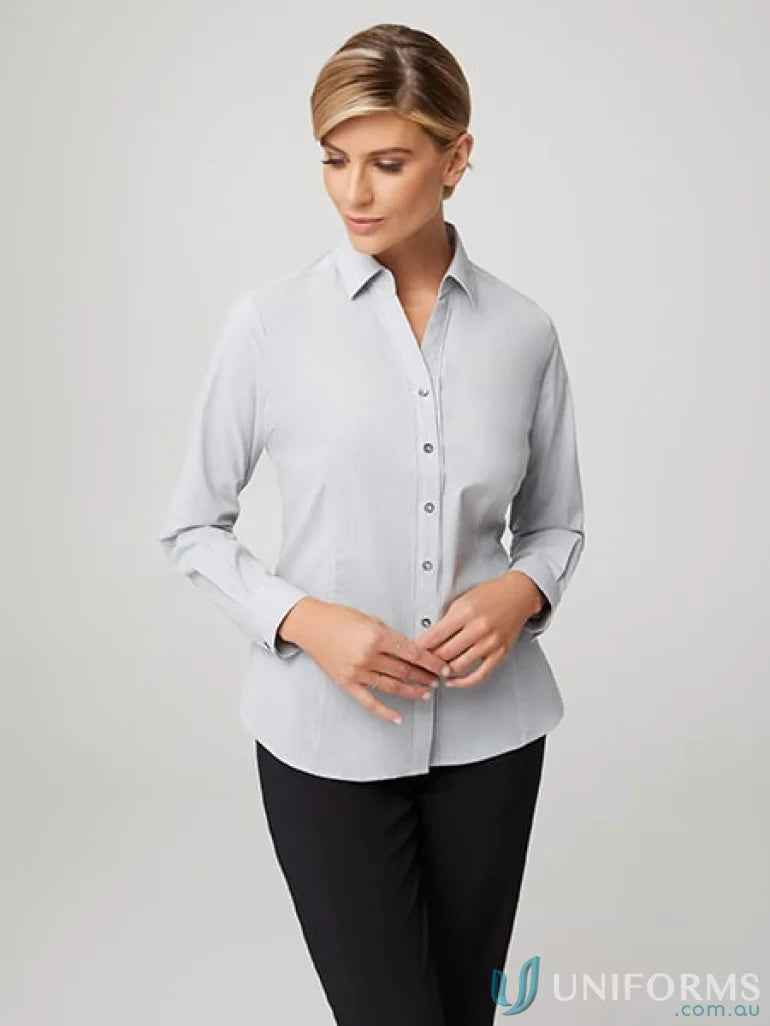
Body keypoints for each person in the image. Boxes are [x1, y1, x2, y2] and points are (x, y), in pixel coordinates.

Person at [158, 22, 586, 1026]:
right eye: (334, 160)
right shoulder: (268, 325)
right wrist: (305, 621)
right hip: (323, 745)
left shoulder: (523, 333)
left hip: (493, 742)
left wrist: (521, 593)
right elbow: (192, 528)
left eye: (387, 163)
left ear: (455, 159)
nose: (353, 192)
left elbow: (557, 529)